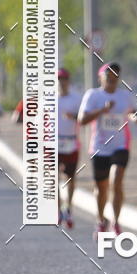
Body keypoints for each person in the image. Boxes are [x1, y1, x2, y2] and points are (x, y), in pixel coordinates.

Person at [78, 62, 137, 237]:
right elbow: (82, 120)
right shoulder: (93, 95)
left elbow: (133, 112)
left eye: (115, 77)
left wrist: (135, 118)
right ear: (100, 78)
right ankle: (101, 220)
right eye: (108, 77)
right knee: (100, 188)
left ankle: (116, 222)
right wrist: (103, 110)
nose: (112, 80)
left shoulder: (125, 95)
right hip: (99, 147)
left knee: (116, 181)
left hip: (120, 145)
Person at [57, 68, 82, 228]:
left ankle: (69, 207)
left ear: (68, 81)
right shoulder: (49, 99)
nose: (61, 82)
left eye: (64, 79)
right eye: (59, 79)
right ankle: (59, 210)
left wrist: (73, 116)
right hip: (52, 143)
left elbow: (84, 118)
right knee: (53, 178)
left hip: (71, 141)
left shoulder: (76, 98)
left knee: (70, 178)